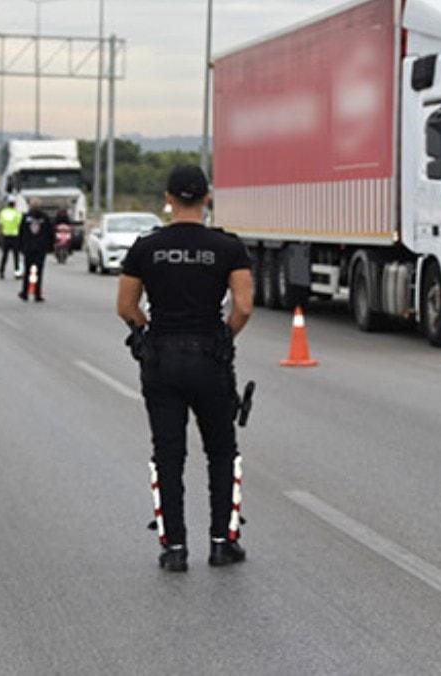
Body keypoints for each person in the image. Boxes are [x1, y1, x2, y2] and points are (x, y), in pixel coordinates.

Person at [116, 165, 254, 571]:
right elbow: (243, 305)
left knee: (168, 454)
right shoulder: (227, 247)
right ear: (207, 197)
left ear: (169, 198)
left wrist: (145, 331)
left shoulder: (146, 247)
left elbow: (125, 305)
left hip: (161, 358)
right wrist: (224, 335)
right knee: (221, 452)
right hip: (209, 357)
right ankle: (222, 542)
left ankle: (174, 548)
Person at [18, 198, 55, 302]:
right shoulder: (44, 218)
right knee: (38, 272)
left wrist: (20, 246)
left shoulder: (26, 217)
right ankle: (37, 294)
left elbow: (21, 233)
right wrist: (50, 247)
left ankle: (25, 293)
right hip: (40, 249)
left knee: (28, 272)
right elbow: (50, 233)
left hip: (28, 248)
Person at [0, 200, 22, 280]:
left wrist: (0, 235)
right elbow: (19, 225)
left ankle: (1, 272)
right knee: (16, 256)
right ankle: (17, 274)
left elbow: (0, 224)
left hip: (5, 236)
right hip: (15, 236)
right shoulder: (17, 214)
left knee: (4, 256)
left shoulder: (3, 213)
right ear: (14, 205)